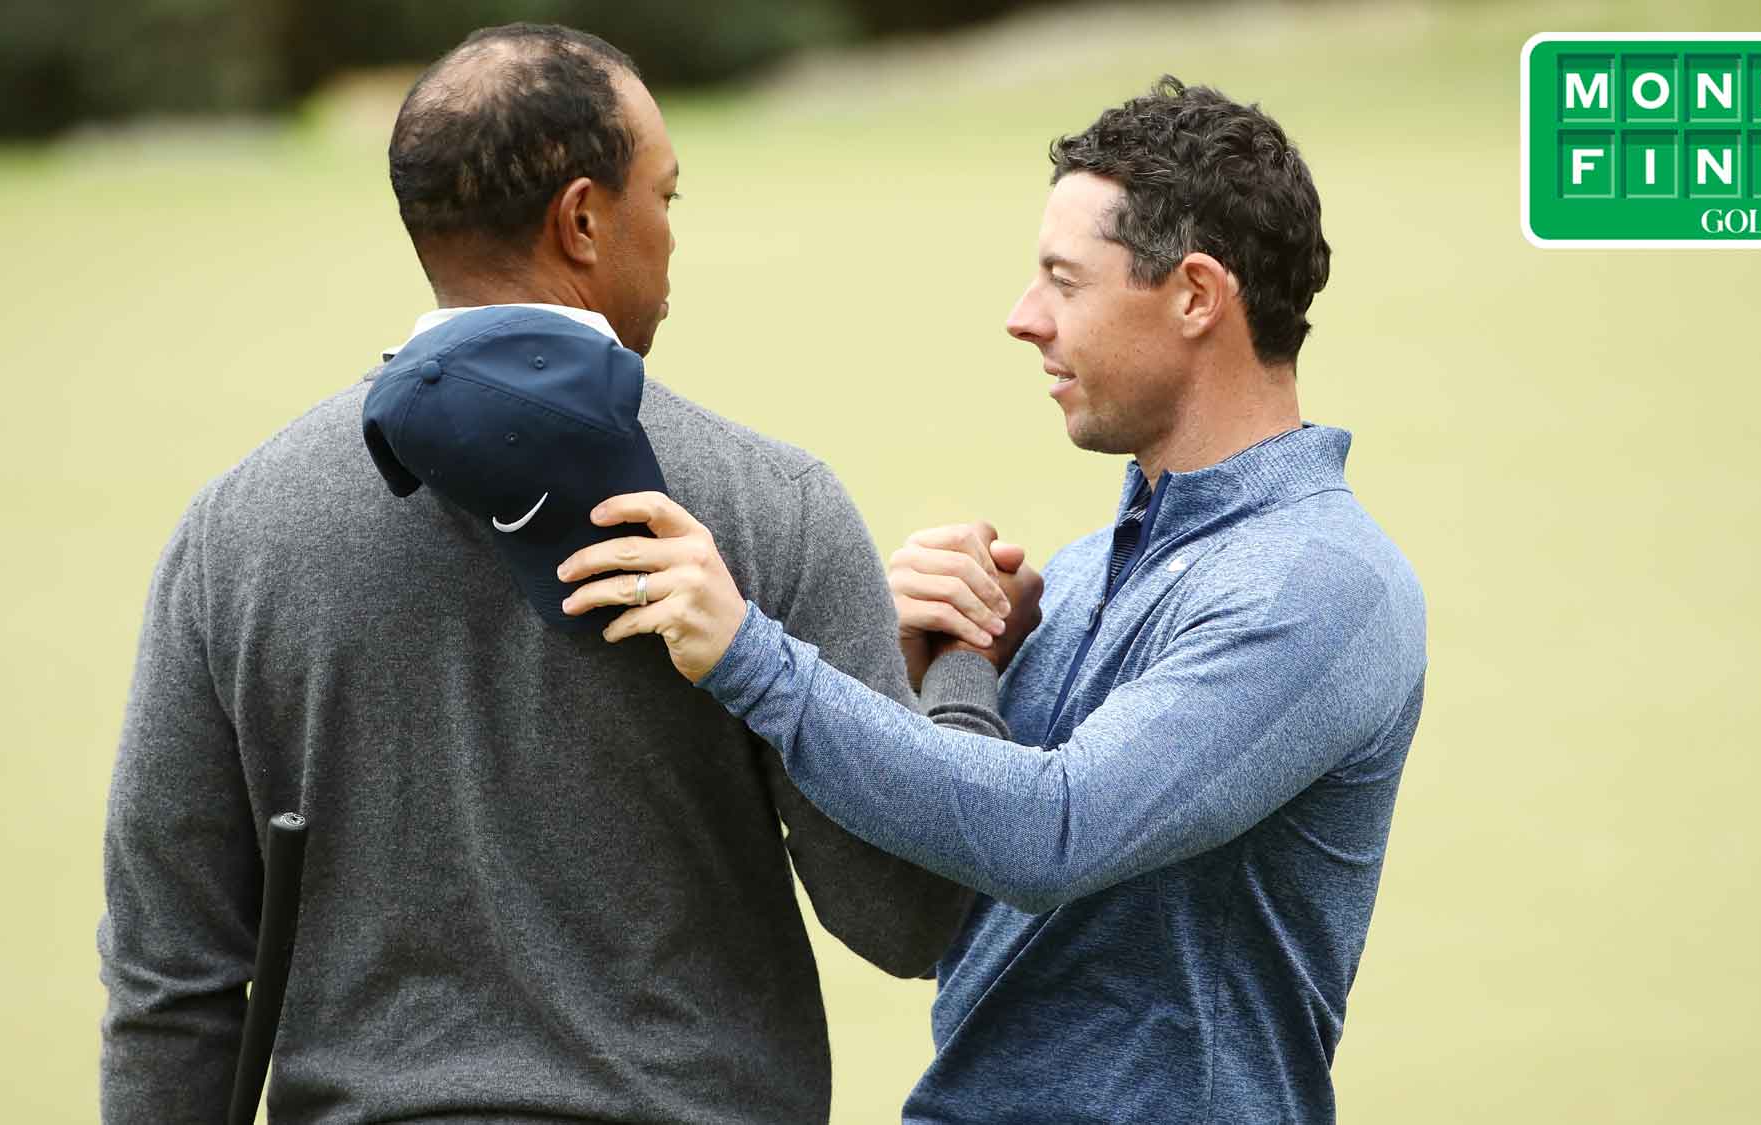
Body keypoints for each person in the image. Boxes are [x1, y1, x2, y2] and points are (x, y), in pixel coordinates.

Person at [98, 23, 998, 1124]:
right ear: (582, 219)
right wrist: (961, 670)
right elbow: (907, 918)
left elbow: (170, 982)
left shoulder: (230, 534)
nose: (672, 238)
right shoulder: (776, 505)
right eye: (666, 198)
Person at [559, 77, 1428, 1121]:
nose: (1023, 319)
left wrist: (752, 654)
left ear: (1196, 296)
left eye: (1064, 281)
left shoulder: (1316, 581)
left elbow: (1050, 838)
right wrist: (952, 660)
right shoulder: (1077, 578)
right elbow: (962, 894)